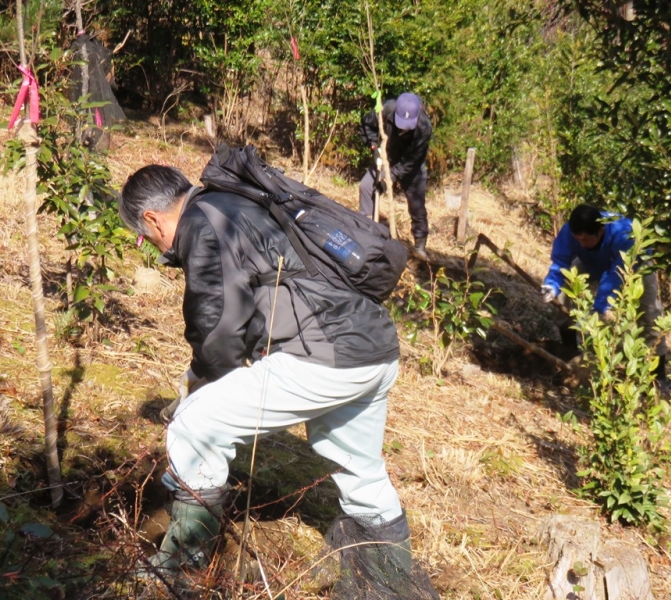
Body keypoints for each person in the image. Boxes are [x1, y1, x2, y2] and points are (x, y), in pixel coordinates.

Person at [119, 165, 438, 597]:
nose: (155, 247)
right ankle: (390, 583)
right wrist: (203, 374)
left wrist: (204, 386)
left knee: (195, 427)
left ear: (153, 220)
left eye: (146, 238)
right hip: (374, 350)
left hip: (325, 358)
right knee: (359, 471)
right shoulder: (241, 201)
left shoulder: (202, 221)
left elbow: (216, 324)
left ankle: (180, 570)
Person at [541, 204, 667, 378]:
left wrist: (596, 310)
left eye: (584, 240)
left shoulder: (624, 235)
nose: (580, 243)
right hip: (591, 259)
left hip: (632, 264)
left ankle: (658, 375)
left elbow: (614, 276)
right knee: (564, 288)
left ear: (600, 232)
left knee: (649, 314)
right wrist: (552, 284)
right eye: (577, 239)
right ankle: (569, 351)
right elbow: (561, 260)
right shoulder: (570, 231)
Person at [359, 92, 432, 261]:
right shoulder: (386, 110)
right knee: (366, 186)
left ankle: (420, 245)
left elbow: (412, 161)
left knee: (416, 205)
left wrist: (389, 179)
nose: (403, 128)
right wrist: (373, 146)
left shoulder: (424, 128)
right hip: (387, 157)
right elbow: (366, 124)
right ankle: (365, 228)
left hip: (411, 166)